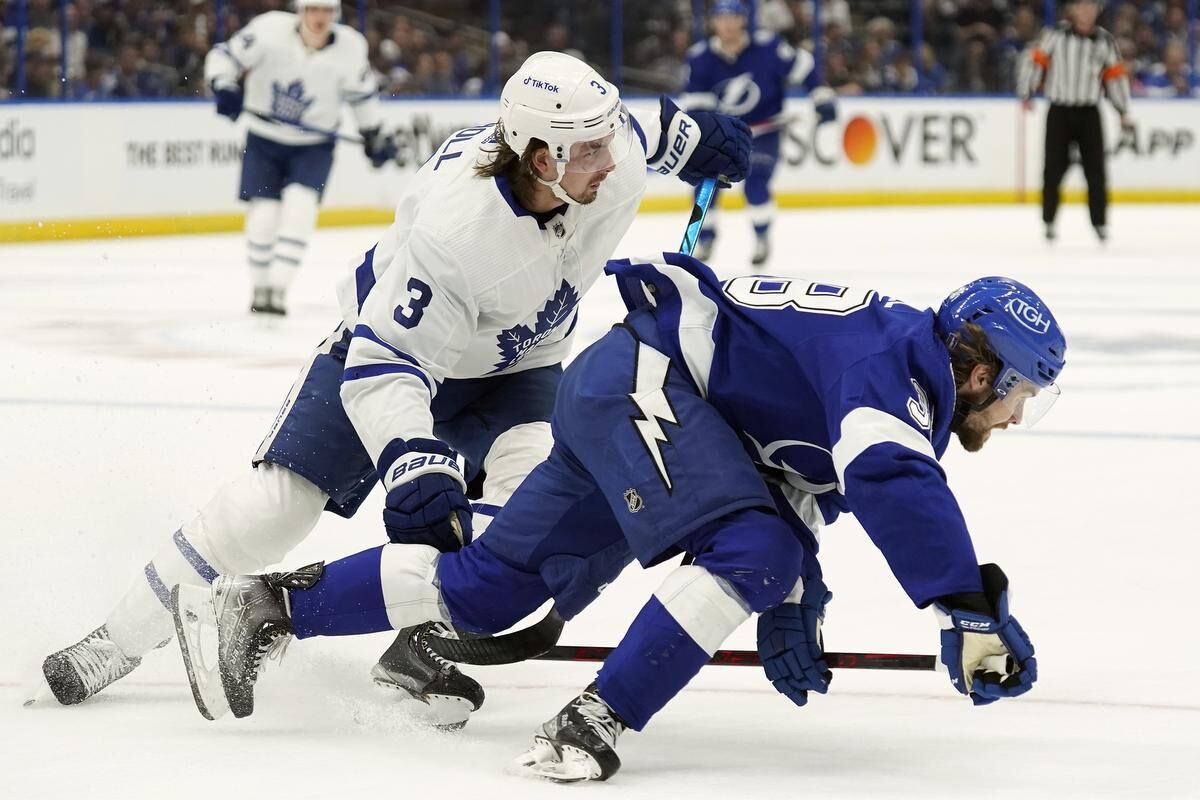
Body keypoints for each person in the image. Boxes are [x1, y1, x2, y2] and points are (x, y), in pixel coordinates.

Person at [34, 51, 752, 728]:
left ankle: (422, 651)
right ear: (542, 158)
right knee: (275, 509)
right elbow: (386, 365)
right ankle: (116, 640)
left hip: (519, 370)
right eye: (590, 151)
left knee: (515, 535)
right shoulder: (457, 232)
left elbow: (643, 127)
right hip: (387, 349)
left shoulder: (601, 148)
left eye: (607, 143)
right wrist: (411, 456)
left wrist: (693, 135)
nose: (612, 161)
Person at [175, 255, 1065, 782]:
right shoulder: (899, 371)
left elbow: (797, 480)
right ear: (981, 368)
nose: (1020, 416)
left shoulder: (902, 357)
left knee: (490, 591)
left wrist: (799, 593)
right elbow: (888, 480)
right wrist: (966, 607)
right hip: (646, 385)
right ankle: (592, 724)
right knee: (749, 547)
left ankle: (263, 607)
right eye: (1022, 391)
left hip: (629, 383)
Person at [204, 0, 399, 315]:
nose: (319, 17)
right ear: (301, 11)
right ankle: (260, 288)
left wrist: (374, 133)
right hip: (264, 137)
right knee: (264, 215)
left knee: (300, 208)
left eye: (326, 11)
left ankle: (279, 290)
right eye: (313, 9)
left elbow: (362, 97)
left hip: (314, 144)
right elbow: (224, 55)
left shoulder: (350, 47)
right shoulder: (268, 29)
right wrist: (223, 84)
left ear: (335, 14)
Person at [679, 0, 836, 265]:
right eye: (721, 17)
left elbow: (805, 67)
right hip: (722, 135)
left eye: (733, 16)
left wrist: (821, 96)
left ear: (743, 19)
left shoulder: (768, 47)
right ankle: (706, 238)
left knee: (756, 183)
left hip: (764, 132)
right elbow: (697, 106)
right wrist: (704, 140)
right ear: (713, 21)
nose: (727, 23)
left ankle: (761, 237)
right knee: (704, 184)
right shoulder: (700, 57)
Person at [1017, 0, 1132, 243]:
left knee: (1096, 170)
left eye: (1091, 7)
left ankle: (1099, 222)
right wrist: (1027, 92)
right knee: (1053, 168)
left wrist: (1122, 109)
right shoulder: (1055, 36)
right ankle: (1048, 220)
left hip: (1089, 112)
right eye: (1082, 7)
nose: (1086, 12)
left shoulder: (1104, 41)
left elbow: (1114, 78)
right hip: (1059, 110)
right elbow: (1036, 62)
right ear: (1073, 10)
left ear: (1097, 12)